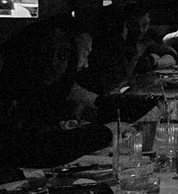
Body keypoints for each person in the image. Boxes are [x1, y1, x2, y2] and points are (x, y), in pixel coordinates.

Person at [0, 19, 113, 183]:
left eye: (62, 56)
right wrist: (104, 133)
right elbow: (29, 150)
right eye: (42, 52)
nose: (52, 62)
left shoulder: (42, 95)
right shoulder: (8, 96)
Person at [124, 1, 178, 73]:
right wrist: (152, 59)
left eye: (144, 25)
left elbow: (172, 54)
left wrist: (155, 63)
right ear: (126, 25)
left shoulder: (145, 39)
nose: (140, 30)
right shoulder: (119, 44)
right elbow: (130, 68)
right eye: (135, 25)